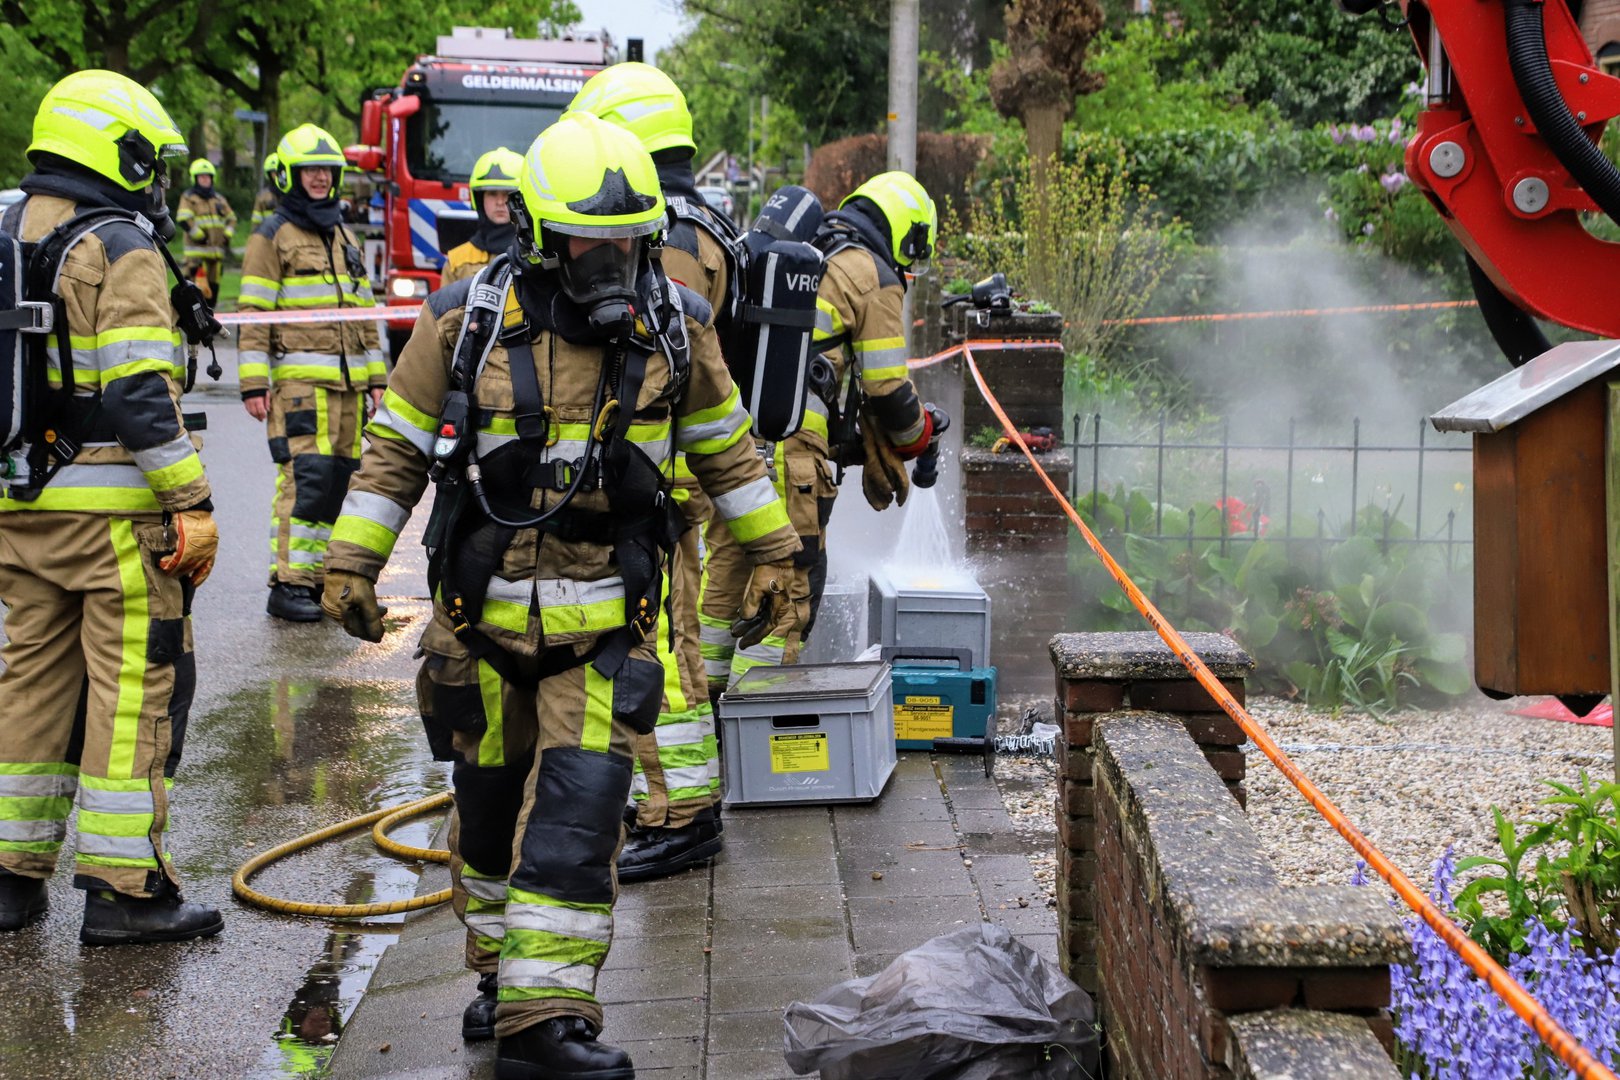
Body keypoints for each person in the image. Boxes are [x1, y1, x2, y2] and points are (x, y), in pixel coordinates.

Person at [320, 111, 800, 1080]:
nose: (614, 260)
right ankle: (503, 980)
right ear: (540, 234)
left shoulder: (677, 326)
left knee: (580, 819)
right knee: (489, 823)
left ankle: (546, 1021)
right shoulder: (463, 323)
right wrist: (347, 564)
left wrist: (779, 553)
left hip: (603, 636)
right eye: (592, 240)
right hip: (476, 629)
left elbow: (728, 454)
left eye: (631, 241)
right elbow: (397, 451)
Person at [0, 70, 222, 944]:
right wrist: (193, 500)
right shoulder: (119, 243)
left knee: (32, 686)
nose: (155, 178)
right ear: (114, 149)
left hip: (21, 507)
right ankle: (126, 893)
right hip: (114, 524)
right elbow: (138, 396)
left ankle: (10, 881)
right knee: (136, 693)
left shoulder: (7, 225)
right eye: (147, 158)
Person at [570, 62, 736, 882]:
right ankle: (680, 801)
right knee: (670, 638)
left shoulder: (667, 236)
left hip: (657, 479)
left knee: (660, 644)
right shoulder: (704, 223)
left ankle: (682, 815)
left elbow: (650, 359)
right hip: (669, 473)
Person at [699, 171, 947, 691]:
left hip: (737, 451)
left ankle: (705, 713)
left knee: (725, 584)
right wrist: (921, 435)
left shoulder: (811, 258)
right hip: (793, 457)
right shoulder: (872, 274)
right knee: (785, 592)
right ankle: (754, 729)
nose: (910, 267)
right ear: (906, 233)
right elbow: (889, 391)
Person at [237, 123, 388, 623]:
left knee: (339, 482)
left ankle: (322, 579)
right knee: (305, 481)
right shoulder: (271, 235)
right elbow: (255, 314)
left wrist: (377, 380)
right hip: (300, 386)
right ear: (289, 177)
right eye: (311, 171)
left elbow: (364, 314)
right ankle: (289, 583)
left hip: (347, 388)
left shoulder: (343, 232)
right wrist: (255, 381)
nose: (320, 178)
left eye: (327, 170)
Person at [440, 147, 522, 286]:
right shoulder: (457, 262)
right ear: (479, 200)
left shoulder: (536, 257)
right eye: (492, 193)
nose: (500, 202)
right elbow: (445, 308)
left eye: (507, 193)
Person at [175, 157, 236, 299]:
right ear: (195, 179)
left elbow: (231, 219)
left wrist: (226, 235)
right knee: (194, 295)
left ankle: (213, 318)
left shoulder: (219, 199)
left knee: (213, 293)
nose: (205, 180)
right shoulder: (189, 197)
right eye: (202, 177)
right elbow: (183, 219)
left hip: (215, 257)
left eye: (208, 177)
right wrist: (200, 237)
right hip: (197, 258)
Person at [251, 153, 280, 228]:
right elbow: (256, 222)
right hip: (268, 236)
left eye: (279, 171)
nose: (276, 175)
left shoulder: (292, 194)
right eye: (274, 172)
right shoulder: (262, 197)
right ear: (269, 174)